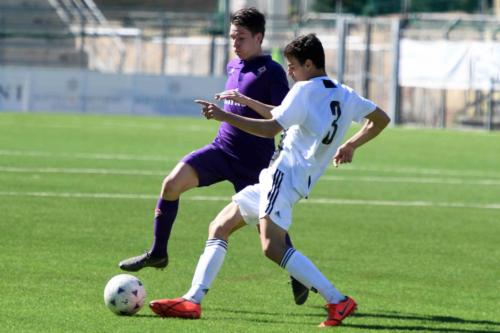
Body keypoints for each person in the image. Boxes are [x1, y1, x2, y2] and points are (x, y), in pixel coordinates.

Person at [149, 33, 390, 327]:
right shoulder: (346, 94)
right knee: (220, 226)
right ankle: (192, 300)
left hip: (284, 176)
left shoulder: (304, 90)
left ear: (310, 64)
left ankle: (337, 300)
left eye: (293, 65)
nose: (289, 71)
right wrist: (352, 144)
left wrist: (225, 116)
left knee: (272, 247)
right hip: (285, 179)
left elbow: (270, 129)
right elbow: (381, 119)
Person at [118, 7, 310, 306]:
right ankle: (158, 252)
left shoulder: (272, 71)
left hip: (254, 164)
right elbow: (232, 110)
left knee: (269, 233)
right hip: (221, 150)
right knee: (171, 184)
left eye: (242, 37)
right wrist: (219, 113)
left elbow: (279, 117)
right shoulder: (233, 65)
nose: (235, 43)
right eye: (233, 36)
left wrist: (241, 103)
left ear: (259, 37)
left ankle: (299, 275)